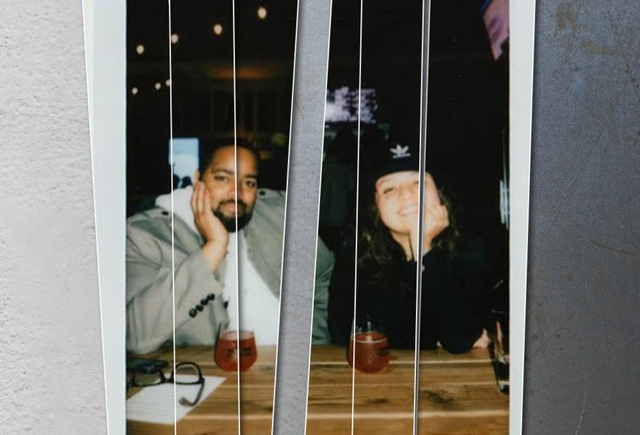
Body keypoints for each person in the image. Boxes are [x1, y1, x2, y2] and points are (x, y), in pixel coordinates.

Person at [126, 138, 335, 354]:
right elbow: (133, 335)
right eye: (223, 178)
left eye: (249, 183)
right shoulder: (146, 235)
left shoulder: (280, 216)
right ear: (198, 179)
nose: (237, 193)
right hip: (211, 371)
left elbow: (319, 271)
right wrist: (214, 248)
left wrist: (315, 343)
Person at [328, 140, 490, 353]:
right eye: (389, 189)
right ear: (375, 206)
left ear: (439, 194)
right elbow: (347, 338)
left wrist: (424, 251)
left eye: (418, 182)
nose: (405, 194)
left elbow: (460, 339)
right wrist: (431, 338)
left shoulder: (470, 250)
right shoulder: (356, 259)